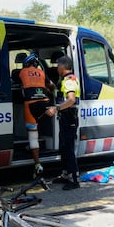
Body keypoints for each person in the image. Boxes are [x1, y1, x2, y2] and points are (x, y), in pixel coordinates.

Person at [46, 55, 80, 190]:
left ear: (63, 66)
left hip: (69, 118)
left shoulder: (70, 81)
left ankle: (74, 179)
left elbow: (71, 100)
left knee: (69, 148)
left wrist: (57, 108)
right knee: (64, 147)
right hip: (65, 118)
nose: (56, 68)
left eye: (58, 65)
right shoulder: (64, 80)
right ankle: (65, 175)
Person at [19, 53, 55, 178]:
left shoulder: (22, 72)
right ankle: (35, 146)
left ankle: (37, 164)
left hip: (31, 104)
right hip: (45, 103)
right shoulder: (42, 73)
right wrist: (48, 90)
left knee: (32, 133)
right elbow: (52, 86)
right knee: (41, 126)